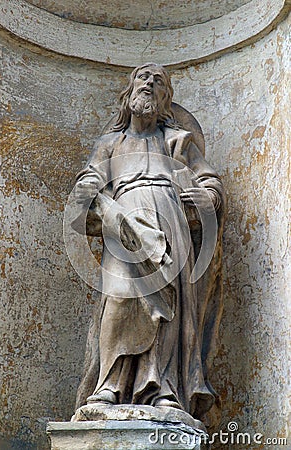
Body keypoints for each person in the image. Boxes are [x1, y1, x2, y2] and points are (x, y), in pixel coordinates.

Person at [74, 63, 225, 422]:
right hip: (124, 228)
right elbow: (89, 184)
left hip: (170, 222)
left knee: (170, 308)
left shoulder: (177, 141)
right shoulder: (110, 144)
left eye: (158, 83)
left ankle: (165, 389)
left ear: (165, 100)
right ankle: (109, 385)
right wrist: (86, 191)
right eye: (143, 78)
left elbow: (210, 182)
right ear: (129, 94)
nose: (150, 84)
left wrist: (209, 196)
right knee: (119, 297)